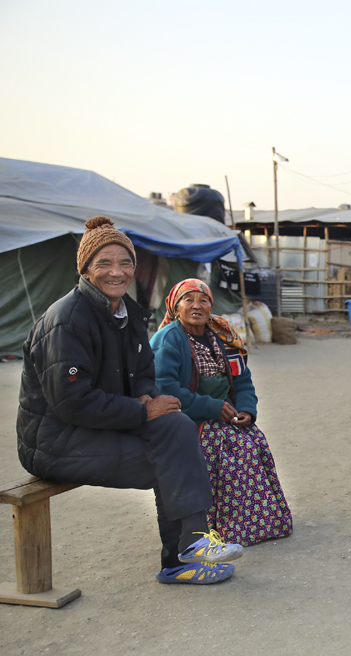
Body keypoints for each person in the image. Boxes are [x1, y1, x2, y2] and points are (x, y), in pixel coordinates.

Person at [16, 216, 243, 585]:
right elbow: (71, 402)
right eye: (104, 263)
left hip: (97, 427)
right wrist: (142, 409)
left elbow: (143, 374)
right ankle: (180, 561)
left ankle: (193, 544)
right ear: (86, 269)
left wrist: (146, 397)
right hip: (54, 440)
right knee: (169, 463)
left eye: (124, 263)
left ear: (134, 268)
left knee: (177, 426)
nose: (116, 272)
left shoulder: (126, 314)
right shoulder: (68, 320)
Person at [150, 279, 292, 546]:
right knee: (228, 451)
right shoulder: (168, 340)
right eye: (188, 300)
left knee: (253, 441)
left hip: (225, 415)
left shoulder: (222, 337)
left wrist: (247, 410)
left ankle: (259, 521)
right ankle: (223, 527)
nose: (196, 306)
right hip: (187, 421)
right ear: (175, 307)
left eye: (203, 300)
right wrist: (212, 407)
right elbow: (164, 390)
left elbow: (242, 381)